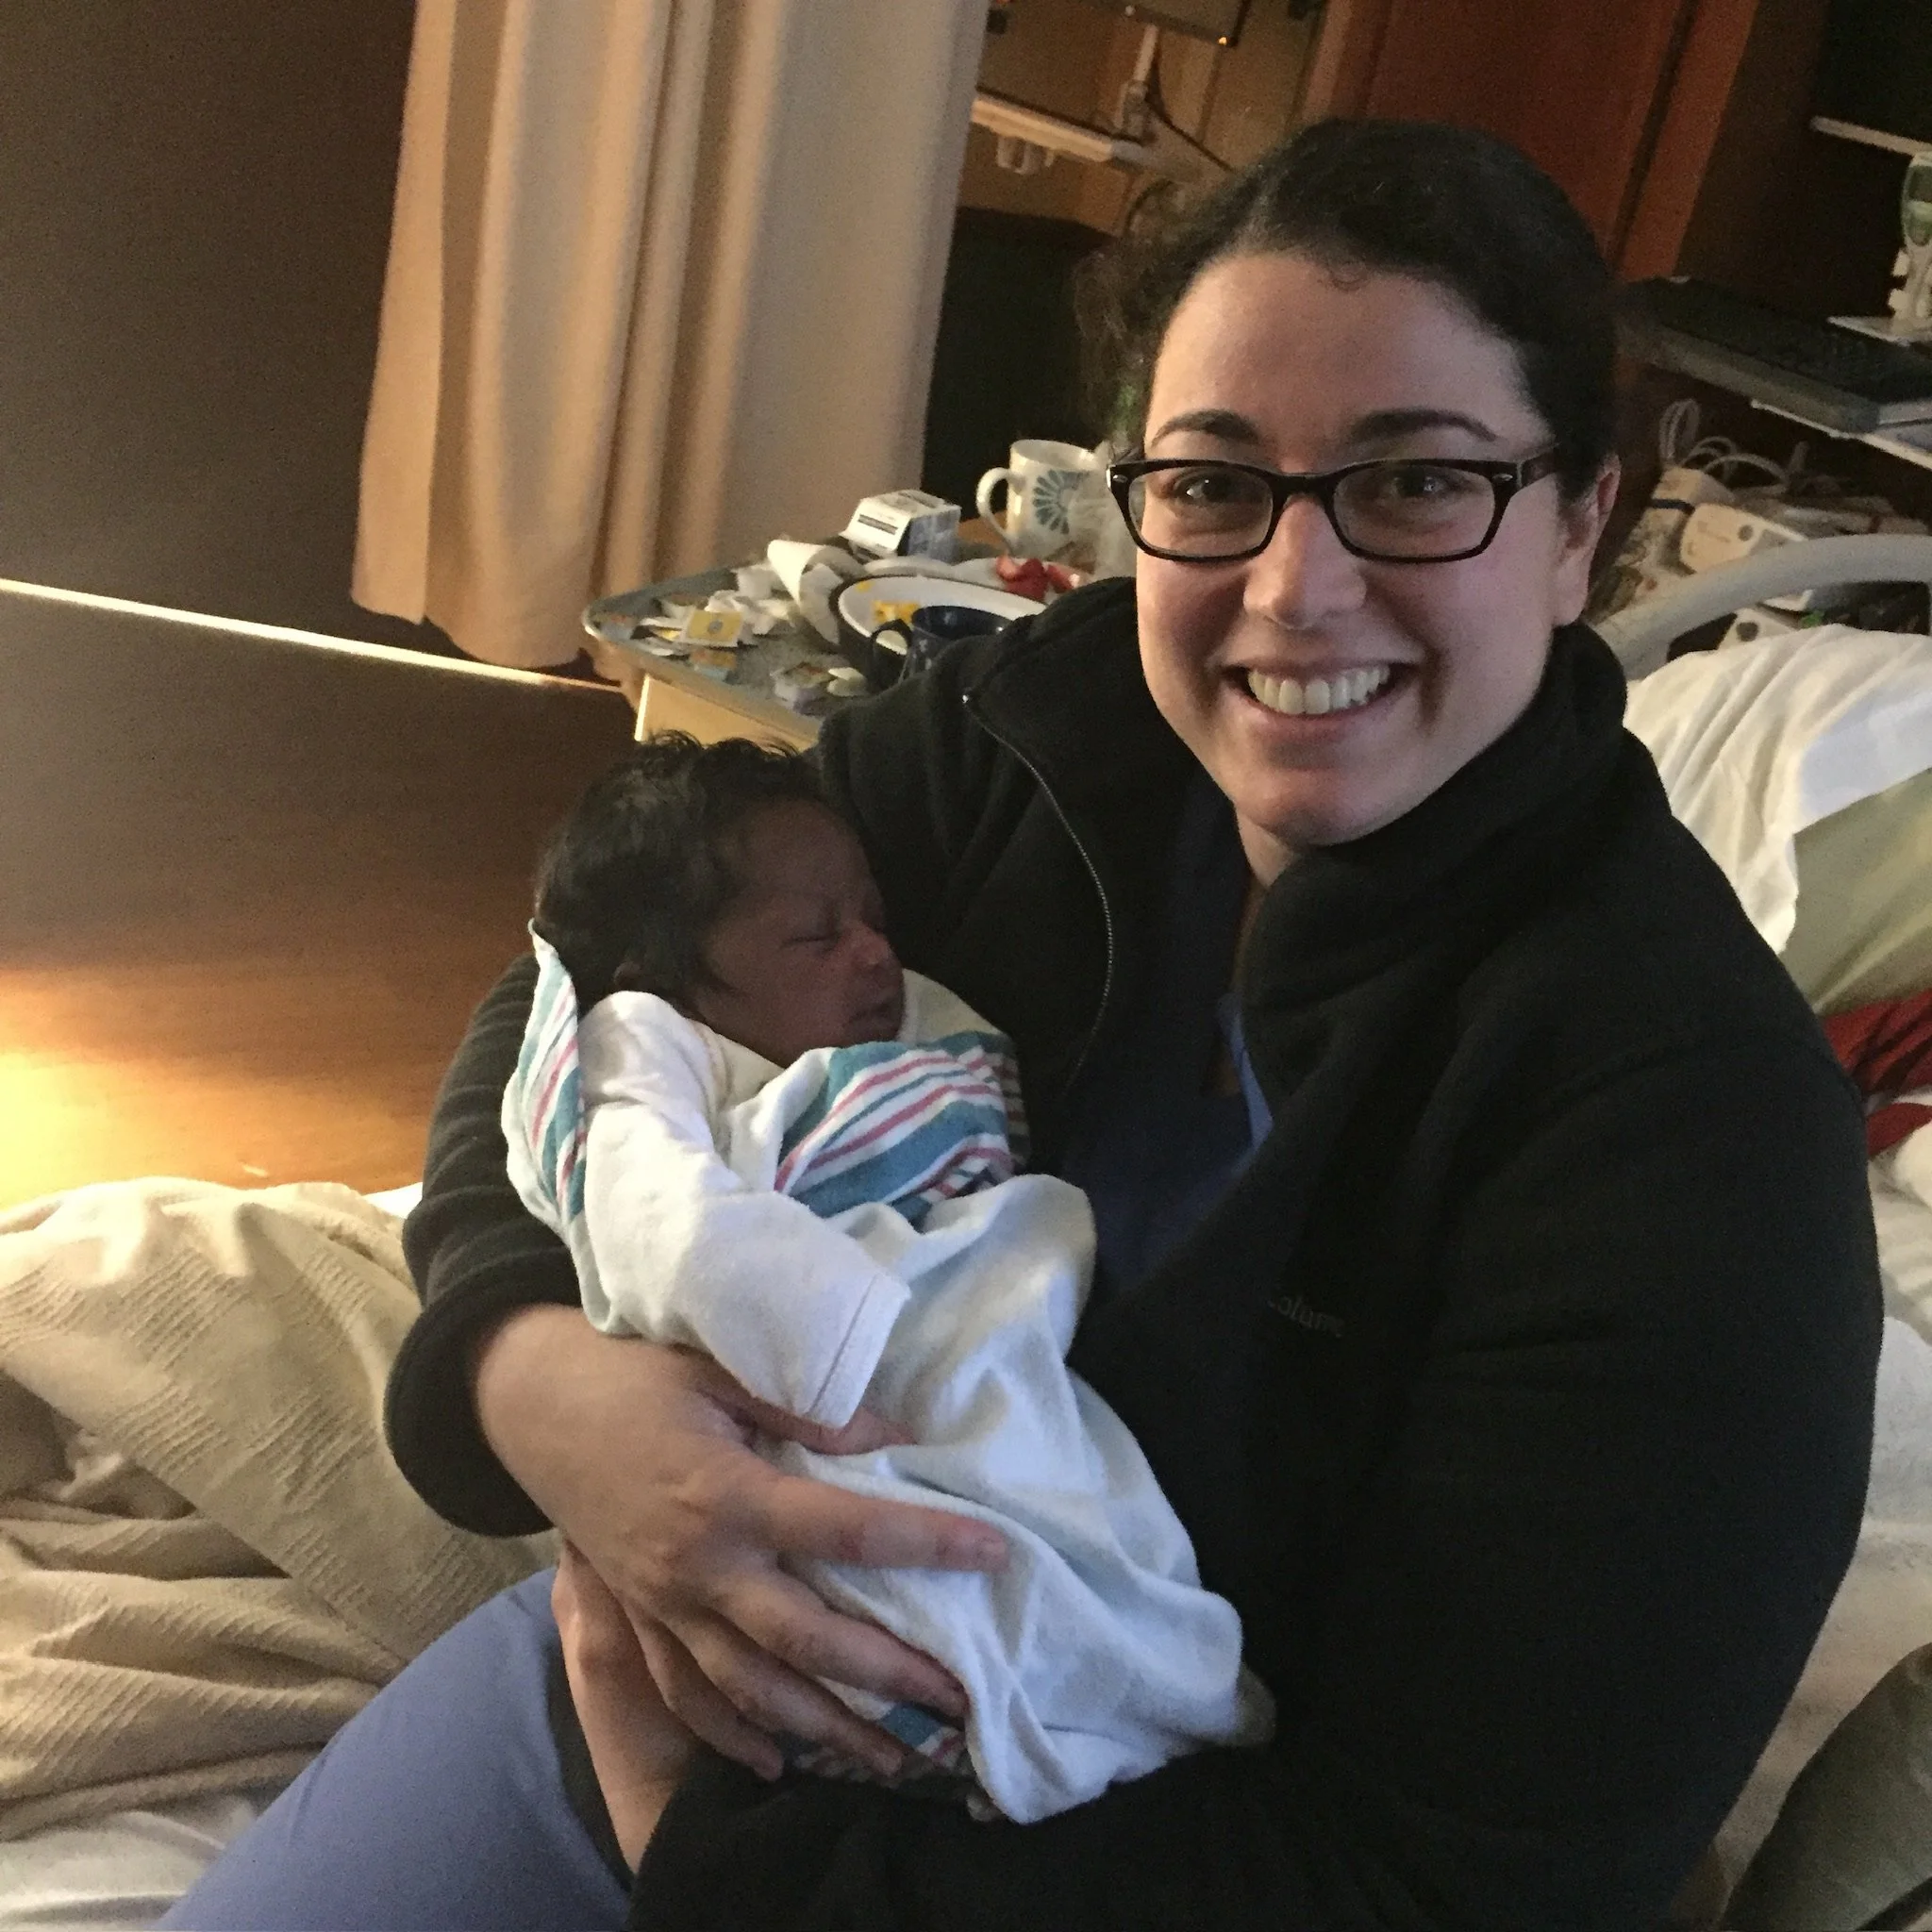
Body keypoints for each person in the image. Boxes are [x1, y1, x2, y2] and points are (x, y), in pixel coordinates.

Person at [166, 117, 1882, 1932]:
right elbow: (584, 982)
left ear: (1576, 525)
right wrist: (534, 1376)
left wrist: (710, 1849)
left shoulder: (1687, 1152)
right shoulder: (1029, 743)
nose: (1295, 588)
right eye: (1215, 484)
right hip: (673, 1662)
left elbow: (1434, 1880)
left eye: (1412, 482)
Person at [502, 733, 1271, 1823]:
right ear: (674, 976)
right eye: (817, 936)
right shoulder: (648, 1039)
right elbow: (655, 1214)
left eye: (874, 914)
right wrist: (829, 1335)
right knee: (941, 1503)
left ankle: (1144, 1673)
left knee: (1063, 1471)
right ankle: (1042, 1697)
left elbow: (982, 1157)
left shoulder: (901, 1018)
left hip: (964, 1291)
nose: (873, 953)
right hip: (816, 1366)